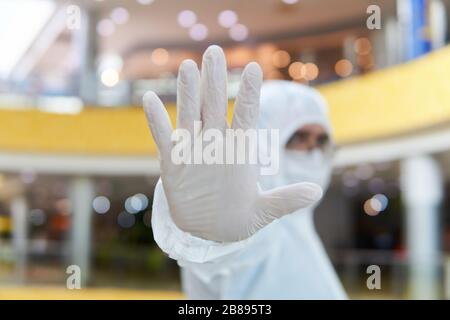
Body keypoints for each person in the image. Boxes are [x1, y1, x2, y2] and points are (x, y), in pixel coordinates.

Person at [143, 45, 347, 299]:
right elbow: (222, 262)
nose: (311, 150)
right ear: (263, 140)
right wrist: (208, 239)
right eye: (299, 137)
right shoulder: (246, 223)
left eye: (321, 141)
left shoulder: (300, 223)